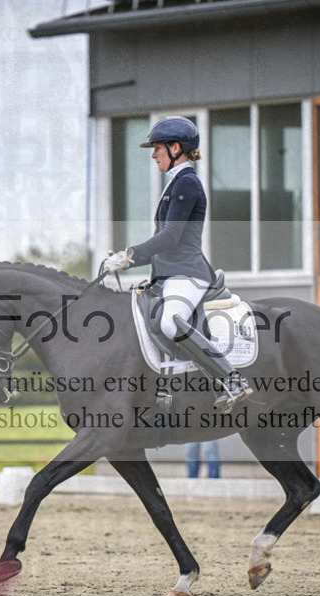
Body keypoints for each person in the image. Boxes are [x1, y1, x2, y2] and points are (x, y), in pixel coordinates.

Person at [101, 116, 253, 411]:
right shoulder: (175, 184)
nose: (153, 154)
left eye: (157, 147)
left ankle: (231, 379)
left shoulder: (188, 183)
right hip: (170, 275)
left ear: (175, 148)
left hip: (188, 274)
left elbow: (170, 237)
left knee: (171, 322)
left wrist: (129, 256)